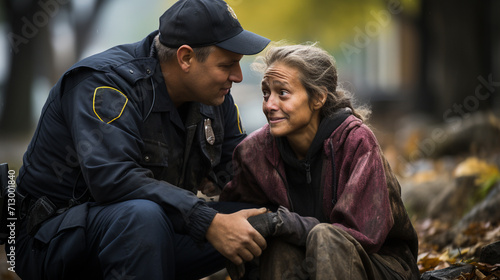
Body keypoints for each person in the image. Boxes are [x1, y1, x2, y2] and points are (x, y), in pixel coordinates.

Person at [12, 0, 271, 279]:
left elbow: (240, 173)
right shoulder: (105, 83)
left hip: (149, 231)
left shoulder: (214, 97)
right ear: (186, 58)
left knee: (261, 219)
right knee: (141, 217)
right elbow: (114, 179)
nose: (238, 76)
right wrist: (205, 220)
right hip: (51, 241)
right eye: (227, 65)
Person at [220, 43, 420, 280]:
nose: (269, 105)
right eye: (266, 93)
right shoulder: (253, 153)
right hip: (305, 264)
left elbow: (362, 235)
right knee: (278, 247)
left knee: (325, 238)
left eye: (282, 93)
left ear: (318, 98)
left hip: (381, 265)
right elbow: (237, 231)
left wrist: (283, 222)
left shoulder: (356, 142)